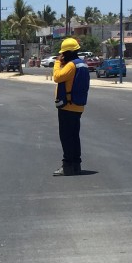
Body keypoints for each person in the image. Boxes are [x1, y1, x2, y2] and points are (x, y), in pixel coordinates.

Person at [52, 37, 90, 176]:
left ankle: (67, 165)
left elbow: (57, 77)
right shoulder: (83, 64)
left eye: (63, 53)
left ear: (67, 53)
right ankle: (76, 165)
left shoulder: (71, 65)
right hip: (78, 106)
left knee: (66, 137)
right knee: (74, 136)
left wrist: (57, 62)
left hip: (67, 106)